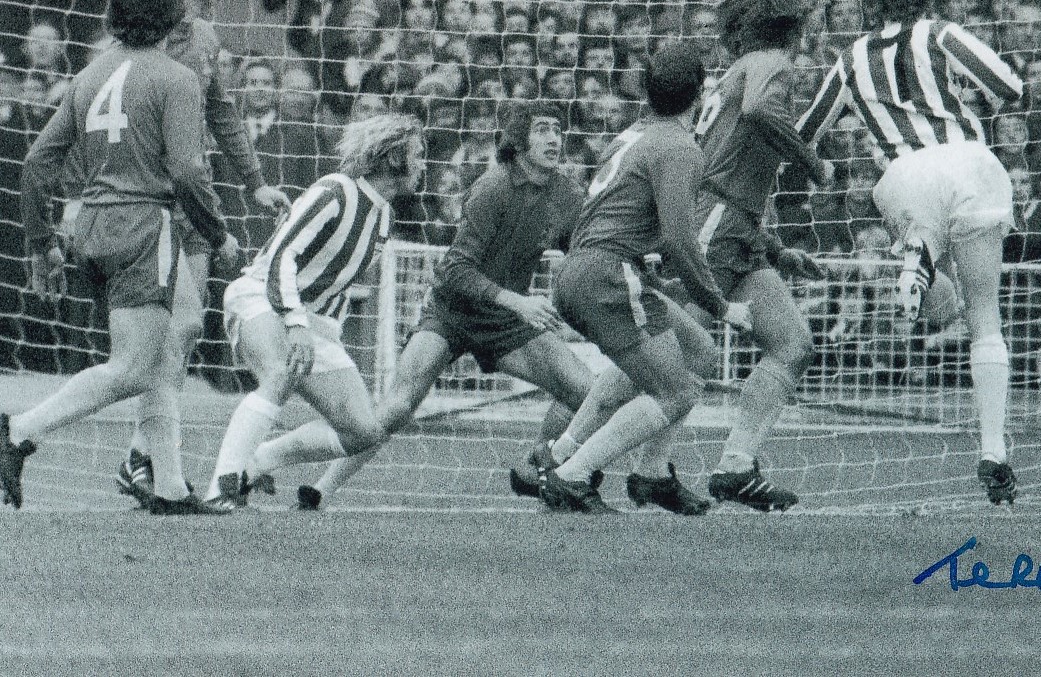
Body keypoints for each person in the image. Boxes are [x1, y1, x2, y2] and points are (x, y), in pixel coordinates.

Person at [0, 0, 239, 512]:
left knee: (170, 341)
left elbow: (36, 164)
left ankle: (169, 487)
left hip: (92, 226)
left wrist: (41, 243)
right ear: (172, 17)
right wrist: (218, 233)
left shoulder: (89, 75)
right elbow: (190, 174)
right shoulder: (176, 79)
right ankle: (20, 430)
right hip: (144, 226)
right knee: (135, 366)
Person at [797, 0, 1026, 504]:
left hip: (903, 176)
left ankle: (916, 255)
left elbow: (806, 130)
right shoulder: (942, 35)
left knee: (935, 288)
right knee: (984, 318)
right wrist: (957, 97)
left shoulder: (850, 58)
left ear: (869, 0)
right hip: (968, 163)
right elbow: (1010, 87)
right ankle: (993, 452)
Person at [294, 102, 590, 509]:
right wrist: (516, 301)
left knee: (585, 392)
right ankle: (319, 490)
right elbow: (454, 269)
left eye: (557, 129)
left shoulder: (569, 196)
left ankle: (538, 469)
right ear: (518, 139)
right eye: (541, 130)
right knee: (396, 408)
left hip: (507, 322)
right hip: (452, 312)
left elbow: (585, 252)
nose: (554, 139)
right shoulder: (493, 187)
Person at [532, 42, 753, 514]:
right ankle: (570, 477)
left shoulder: (633, 134)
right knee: (675, 392)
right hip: (609, 274)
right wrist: (721, 306)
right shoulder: (678, 146)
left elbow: (624, 215)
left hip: (588, 268)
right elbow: (678, 238)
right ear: (700, 92)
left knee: (697, 349)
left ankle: (585, 459)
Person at [113, 0, 291, 507]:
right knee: (168, 331)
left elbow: (223, 113)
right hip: (146, 202)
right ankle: (153, 468)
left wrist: (257, 181)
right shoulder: (131, 44)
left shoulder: (207, 39)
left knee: (184, 330)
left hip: (191, 199)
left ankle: (144, 458)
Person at [202, 113, 423, 507]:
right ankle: (220, 488)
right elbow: (283, 256)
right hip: (261, 296)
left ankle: (259, 462)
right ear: (394, 158)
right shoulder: (335, 190)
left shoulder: (383, 216)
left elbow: (336, 280)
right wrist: (296, 324)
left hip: (311, 321)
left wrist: (323, 331)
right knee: (279, 372)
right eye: (417, 155)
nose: (422, 165)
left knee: (364, 431)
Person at [693, 0, 834, 510]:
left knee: (793, 345)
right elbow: (756, 113)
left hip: (738, 225)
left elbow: (736, 163)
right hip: (720, 222)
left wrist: (774, 249)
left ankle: (737, 465)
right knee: (671, 354)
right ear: (788, 23)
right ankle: (568, 455)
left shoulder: (740, 66)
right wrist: (810, 159)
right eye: (805, 18)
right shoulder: (774, 63)